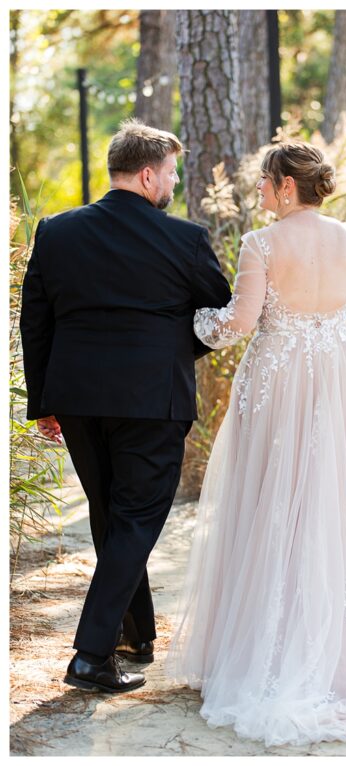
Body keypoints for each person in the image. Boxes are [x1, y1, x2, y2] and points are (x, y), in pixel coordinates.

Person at [166, 140, 346, 746]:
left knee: (266, 502)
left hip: (277, 380)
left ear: (286, 184)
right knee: (328, 506)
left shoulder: (261, 244)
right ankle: (335, 659)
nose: (258, 187)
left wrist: (192, 322)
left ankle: (264, 652)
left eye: (264, 179)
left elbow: (241, 322)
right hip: (336, 380)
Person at [19, 119, 232, 693]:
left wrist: (44, 401)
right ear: (146, 174)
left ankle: (135, 637)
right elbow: (218, 316)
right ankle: (90, 655)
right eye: (170, 172)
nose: (174, 182)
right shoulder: (184, 239)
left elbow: (35, 321)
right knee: (135, 521)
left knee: (115, 519)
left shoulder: (57, 232)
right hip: (151, 400)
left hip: (78, 398)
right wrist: (169, 348)